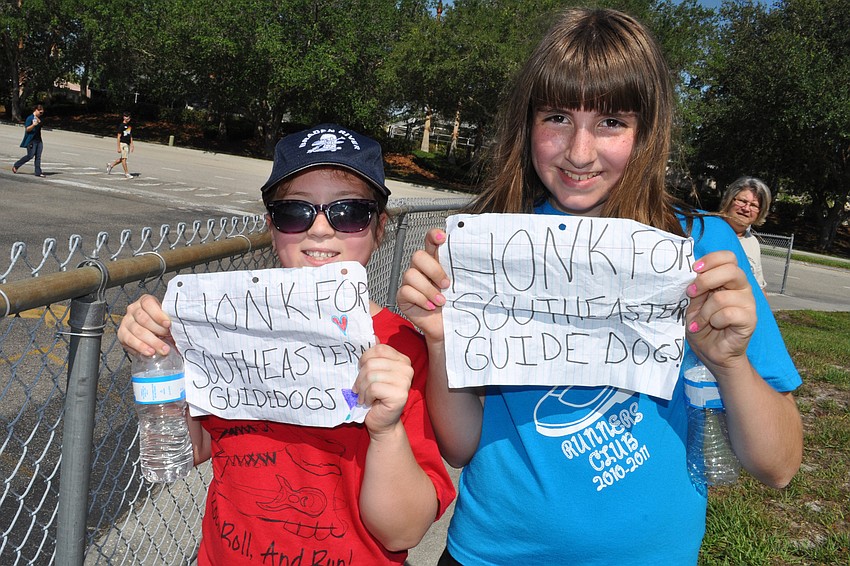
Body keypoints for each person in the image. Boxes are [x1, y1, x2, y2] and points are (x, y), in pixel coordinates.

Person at [397, 8, 802, 565]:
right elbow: (461, 447)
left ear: (647, 131)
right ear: (527, 122)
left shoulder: (700, 247)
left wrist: (732, 364)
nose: (580, 152)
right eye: (557, 117)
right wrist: (442, 340)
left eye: (612, 122)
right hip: (489, 554)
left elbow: (777, 467)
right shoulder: (489, 247)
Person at [117, 124, 455, 565]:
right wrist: (161, 361)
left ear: (379, 228)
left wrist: (387, 431)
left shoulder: (406, 348)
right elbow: (193, 449)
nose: (318, 230)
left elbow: (402, 532)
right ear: (272, 226)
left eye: (349, 212)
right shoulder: (224, 328)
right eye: (295, 212)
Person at [719, 176, 772, 291]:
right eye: (742, 201)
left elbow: (759, 287)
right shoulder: (707, 229)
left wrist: (765, 309)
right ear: (729, 201)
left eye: (754, 205)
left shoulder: (753, 243)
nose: (746, 208)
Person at [12, 104, 46, 177]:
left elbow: (41, 126)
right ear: (36, 110)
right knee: (30, 155)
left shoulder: (38, 119)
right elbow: (27, 129)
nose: (41, 114)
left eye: (42, 113)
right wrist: (33, 125)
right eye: (40, 112)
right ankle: (16, 165)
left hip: (39, 140)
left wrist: (39, 122)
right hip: (31, 140)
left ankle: (38, 172)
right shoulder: (30, 118)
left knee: (38, 156)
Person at [107, 111, 134, 179]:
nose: (128, 119)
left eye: (129, 118)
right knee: (124, 159)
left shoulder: (129, 126)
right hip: (123, 143)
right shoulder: (121, 126)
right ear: (124, 118)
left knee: (122, 158)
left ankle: (111, 165)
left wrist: (132, 144)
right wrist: (118, 147)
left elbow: (130, 135)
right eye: (127, 118)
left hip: (127, 144)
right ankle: (126, 173)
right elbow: (118, 137)